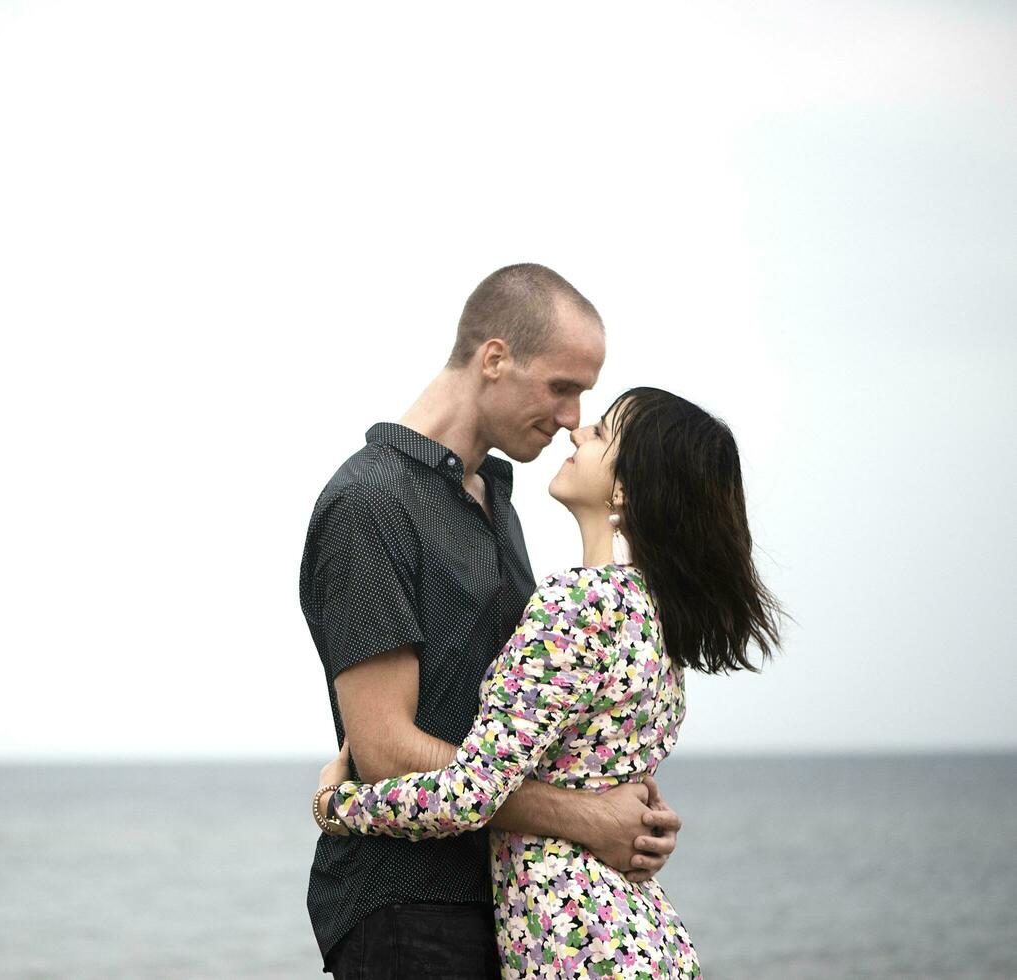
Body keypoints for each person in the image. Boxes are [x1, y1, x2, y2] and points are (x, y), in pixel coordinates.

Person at [312, 387, 783, 978]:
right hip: (639, 937)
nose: (577, 431)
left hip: (573, 940)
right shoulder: (652, 614)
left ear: (625, 489)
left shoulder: (578, 605)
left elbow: (467, 795)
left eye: (603, 432)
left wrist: (338, 803)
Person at [300, 265, 683, 978]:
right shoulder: (370, 502)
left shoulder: (495, 501)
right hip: (408, 904)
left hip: (514, 909)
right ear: (496, 358)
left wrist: (626, 813)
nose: (573, 419)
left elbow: (526, 722)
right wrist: (585, 818)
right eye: (562, 387)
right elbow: (383, 753)